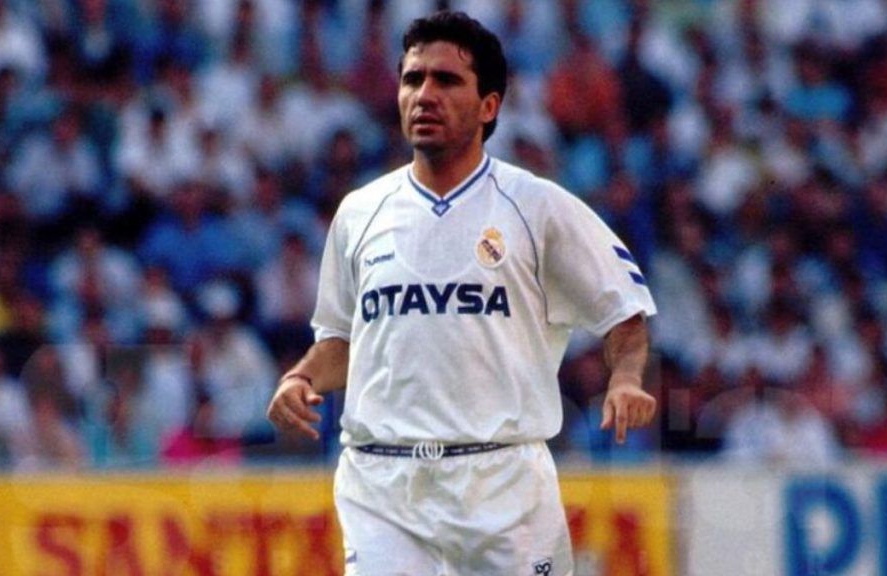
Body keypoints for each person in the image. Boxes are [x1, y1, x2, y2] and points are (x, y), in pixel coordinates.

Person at [266, 11, 657, 576]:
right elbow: (345, 341)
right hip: (383, 484)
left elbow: (625, 315)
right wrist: (301, 378)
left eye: (446, 80)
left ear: (489, 105)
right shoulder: (358, 213)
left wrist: (624, 379)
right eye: (413, 79)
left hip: (503, 486)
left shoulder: (537, 206)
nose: (424, 95)